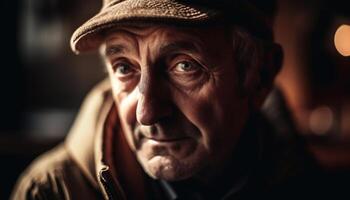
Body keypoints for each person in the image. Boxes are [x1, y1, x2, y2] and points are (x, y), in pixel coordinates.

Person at [11, 0, 320, 199]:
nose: (146, 112)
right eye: (123, 67)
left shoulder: (310, 186)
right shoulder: (49, 192)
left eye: (184, 66)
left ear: (259, 75)